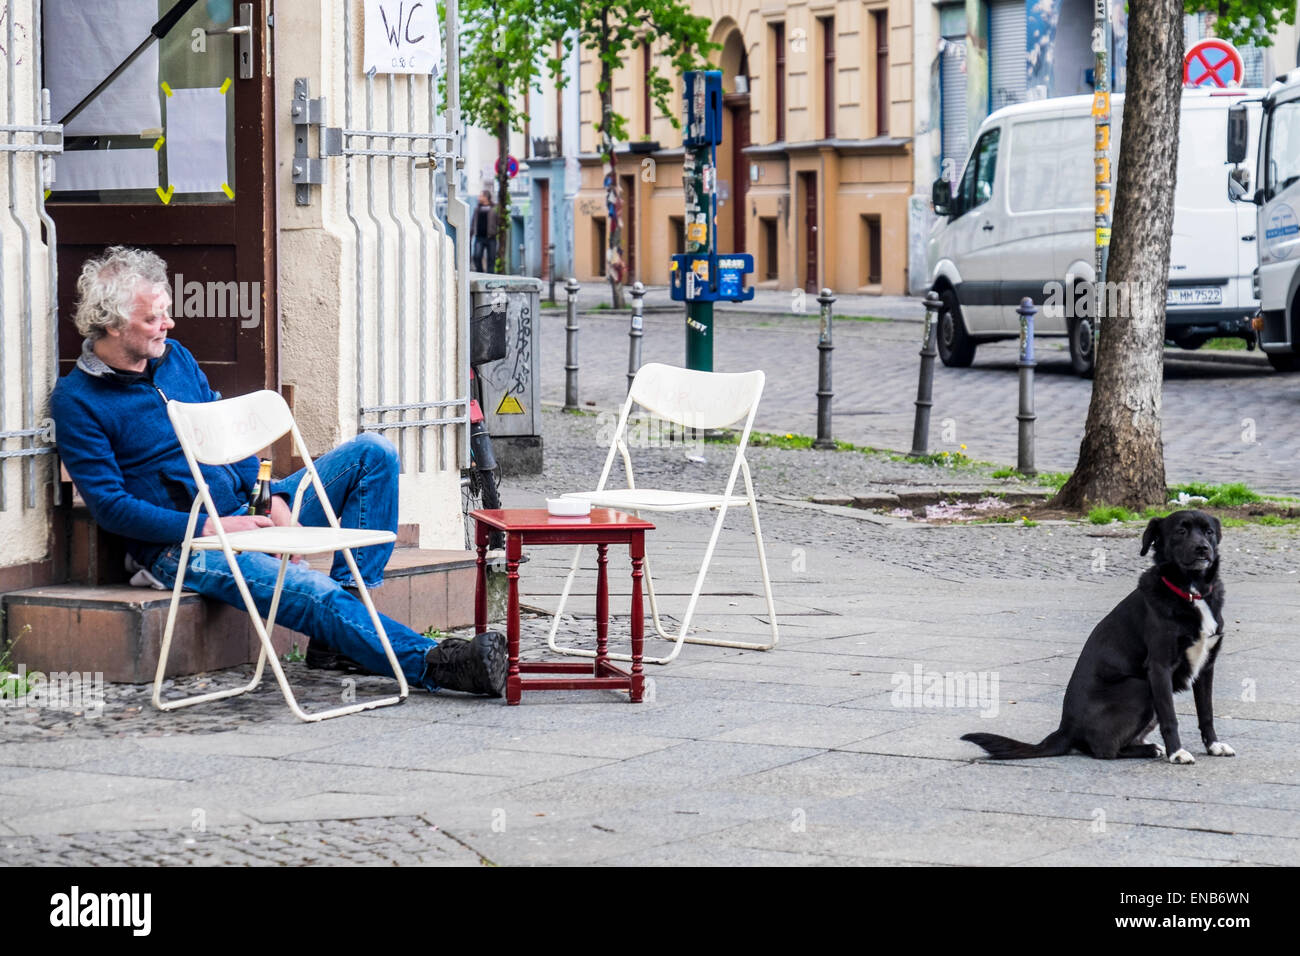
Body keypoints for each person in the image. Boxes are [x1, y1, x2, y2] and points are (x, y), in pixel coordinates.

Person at [49, 246, 506, 698]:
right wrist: (214, 525)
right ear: (109, 322)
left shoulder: (175, 357)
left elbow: (230, 434)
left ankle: (336, 639)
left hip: (250, 509)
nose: (168, 325)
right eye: (153, 318)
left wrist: (271, 500)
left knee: (374, 453)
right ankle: (432, 664)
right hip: (185, 542)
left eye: (167, 312)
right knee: (307, 587)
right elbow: (111, 508)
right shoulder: (78, 401)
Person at [470, 188, 500, 273]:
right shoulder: (477, 209)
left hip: (491, 238)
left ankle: (490, 277)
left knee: (491, 259)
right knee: (477, 256)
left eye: (480, 196)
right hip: (479, 237)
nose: (478, 197)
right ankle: (480, 273)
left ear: (486, 197)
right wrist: (471, 235)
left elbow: (499, 221)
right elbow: (473, 222)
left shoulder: (494, 208)